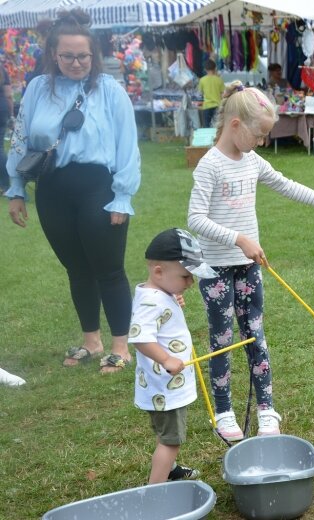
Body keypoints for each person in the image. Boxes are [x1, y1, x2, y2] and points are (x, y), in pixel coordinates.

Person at [187, 81, 314, 441]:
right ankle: (223, 410)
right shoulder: (209, 166)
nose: (263, 142)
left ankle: (267, 407)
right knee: (222, 340)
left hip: (250, 265)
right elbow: (195, 219)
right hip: (216, 268)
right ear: (235, 125)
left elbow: (287, 185)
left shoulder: (251, 160)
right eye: (260, 134)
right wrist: (238, 239)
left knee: (255, 334)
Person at [6, 8, 140, 374]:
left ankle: (120, 346)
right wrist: (17, 189)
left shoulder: (110, 91)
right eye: (68, 56)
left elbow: (128, 146)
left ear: (93, 54)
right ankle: (91, 341)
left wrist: (123, 196)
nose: (77, 62)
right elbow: (20, 139)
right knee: (76, 269)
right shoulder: (37, 88)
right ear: (53, 54)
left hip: (99, 188)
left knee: (108, 268)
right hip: (53, 189)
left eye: (83, 56)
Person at [131, 228, 217, 484]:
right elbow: (140, 337)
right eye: (185, 276)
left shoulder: (159, 294)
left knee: (165, 437)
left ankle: (170, 471)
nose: (190, 283)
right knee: (171, 442)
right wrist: (167, 360)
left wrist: (172, 298)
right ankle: (155, 491)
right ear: (159, 272)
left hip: (164, 386)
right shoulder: (152, 302)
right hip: (164, 387)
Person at [197, 58, 224, 128]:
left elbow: (200, 93)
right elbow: (223, 94)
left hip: (207, 106)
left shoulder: (202, 80)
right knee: (217, 126)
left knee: (207, 126)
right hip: (217, 106)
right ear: (215, 68)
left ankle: (208, 138)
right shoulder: (219, 80)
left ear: (205, 69)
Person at [0, 62, 13, 193]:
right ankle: (5, 184)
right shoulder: (2, 70)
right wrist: (11, 114)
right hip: (2, 108)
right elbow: (8, 94)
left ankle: (4, 184)